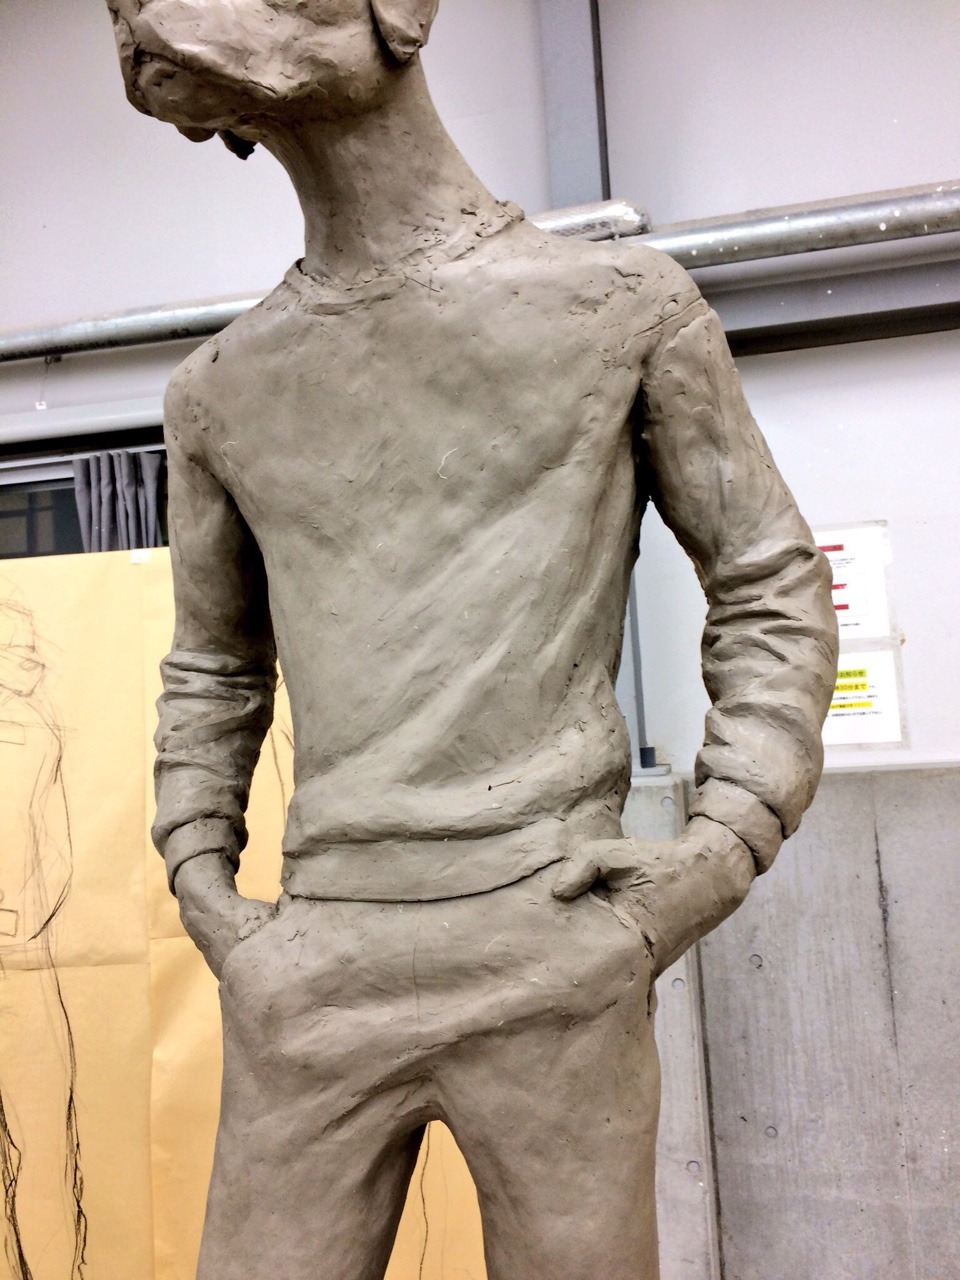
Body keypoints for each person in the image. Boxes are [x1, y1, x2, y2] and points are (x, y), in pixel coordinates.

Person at [105, 3, 839, 1277]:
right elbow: (213, 667)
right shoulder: (221, 387)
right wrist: (206, 886)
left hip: (552, 944)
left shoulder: (618, 306)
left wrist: (719, 852)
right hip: (315, 966)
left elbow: (768, 580)